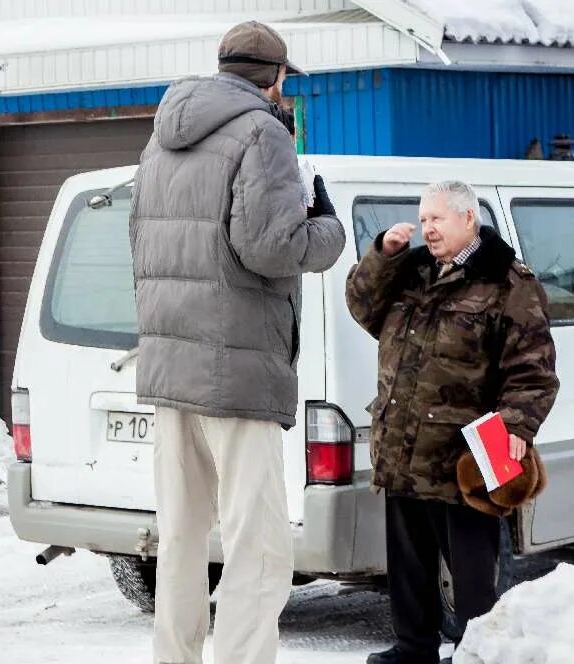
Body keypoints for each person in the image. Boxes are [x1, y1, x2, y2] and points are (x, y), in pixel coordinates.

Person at [128, 20, 347, 664]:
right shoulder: (264, 134)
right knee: (258, 547)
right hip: (238, 371)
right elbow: (272, 246)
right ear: (274, 77)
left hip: (172, 367)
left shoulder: (161, 137)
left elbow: (140, 242)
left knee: (182, 538)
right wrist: (326, 227)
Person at [345, 181, 560, 664]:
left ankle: (478, 652)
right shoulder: (413, 271)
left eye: (437, 219)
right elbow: (362, 307)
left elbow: (533, 367)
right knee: (407, 565)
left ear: (469, 219)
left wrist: (517, 427)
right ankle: (413, 647)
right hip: (403, 446)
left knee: (471, 574)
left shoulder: (509, 282)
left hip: (464, 456)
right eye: (423, 220)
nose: (428, 229)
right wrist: (382, 254)